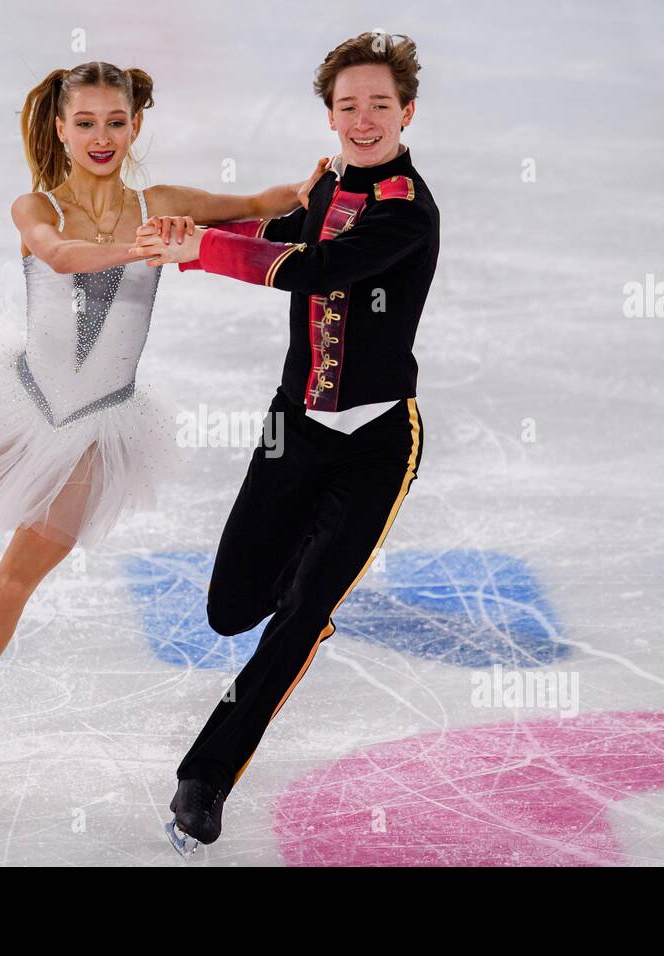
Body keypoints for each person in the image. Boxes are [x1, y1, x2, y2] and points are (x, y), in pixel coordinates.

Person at [0, 60, 326, 806]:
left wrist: (309, 189)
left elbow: (257, 205)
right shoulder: (38, 207)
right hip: (17, 410)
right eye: (87, 122)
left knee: (11, 586)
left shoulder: (161, 201)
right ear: (62, 128)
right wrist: (139, 249)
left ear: (135, 126)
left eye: (117, 121)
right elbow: (61, 257)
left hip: (98, 434)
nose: (103, 137)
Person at [131, 31, 440, 855]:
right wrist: (184, 245)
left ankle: (207, 778)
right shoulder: (329, 185)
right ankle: (310, 589)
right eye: (348, 105)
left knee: (299, 614)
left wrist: (206, 248)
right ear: (331, 114)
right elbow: (281, 227)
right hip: (289, 428)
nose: (364, 118)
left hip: (376, 443)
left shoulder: (408, 210)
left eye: (380, 104)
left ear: (407, 112)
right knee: (230, 607)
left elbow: (315, 268)